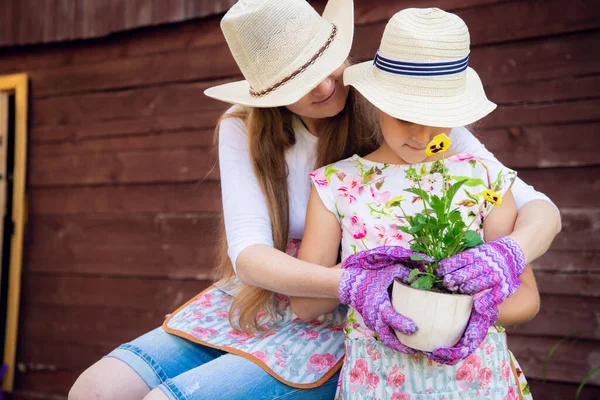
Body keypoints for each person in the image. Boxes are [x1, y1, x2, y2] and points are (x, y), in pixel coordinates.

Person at [69, 1, 560, 399]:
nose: (327, 87)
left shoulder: (405, 108)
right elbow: (250, 255)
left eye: (329, 66)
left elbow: (536, 208)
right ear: (266, 94)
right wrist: (351, 283)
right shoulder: (244, 129)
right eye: (300, 82)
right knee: (94, 390)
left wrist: (506, 254)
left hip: (370, 315)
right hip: (295, 291)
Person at [291, 8, 540, 399]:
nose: (423, 134)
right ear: (376, 101)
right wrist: (367, 279)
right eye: (406, 115)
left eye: (438, 116)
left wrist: (468, 311)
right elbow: (304, 301)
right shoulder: (337, 184)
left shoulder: (485, 179)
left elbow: (526, 298)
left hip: (476, 383)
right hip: (378, 383)